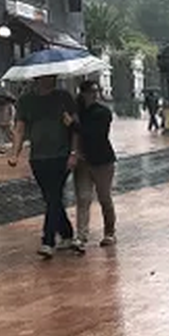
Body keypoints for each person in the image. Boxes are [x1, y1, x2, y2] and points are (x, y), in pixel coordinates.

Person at [8, 75, 82, 258]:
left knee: (54, 195)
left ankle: (47, 241)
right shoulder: (26, 101)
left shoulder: (64, 97)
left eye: (53, 76)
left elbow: (76, 128)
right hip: (38, 157)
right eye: (47, 76)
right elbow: (19, 128)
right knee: (51, 198)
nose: (52, 79)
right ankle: (67, 234)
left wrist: (73, 152)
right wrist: (15, 153)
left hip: (61, 155)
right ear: (37, 78)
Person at [74, 80, 118, 248]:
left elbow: (95, 134)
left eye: (96, 91)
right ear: (83, 93)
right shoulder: (78, 111)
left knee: (104, 197)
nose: (94, 94)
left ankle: (110, 232)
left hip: (102, 161)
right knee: (83, 198)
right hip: (83, 161)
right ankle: (81, 235)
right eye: (90, 91)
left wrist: (74, 124)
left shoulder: (103, 112)